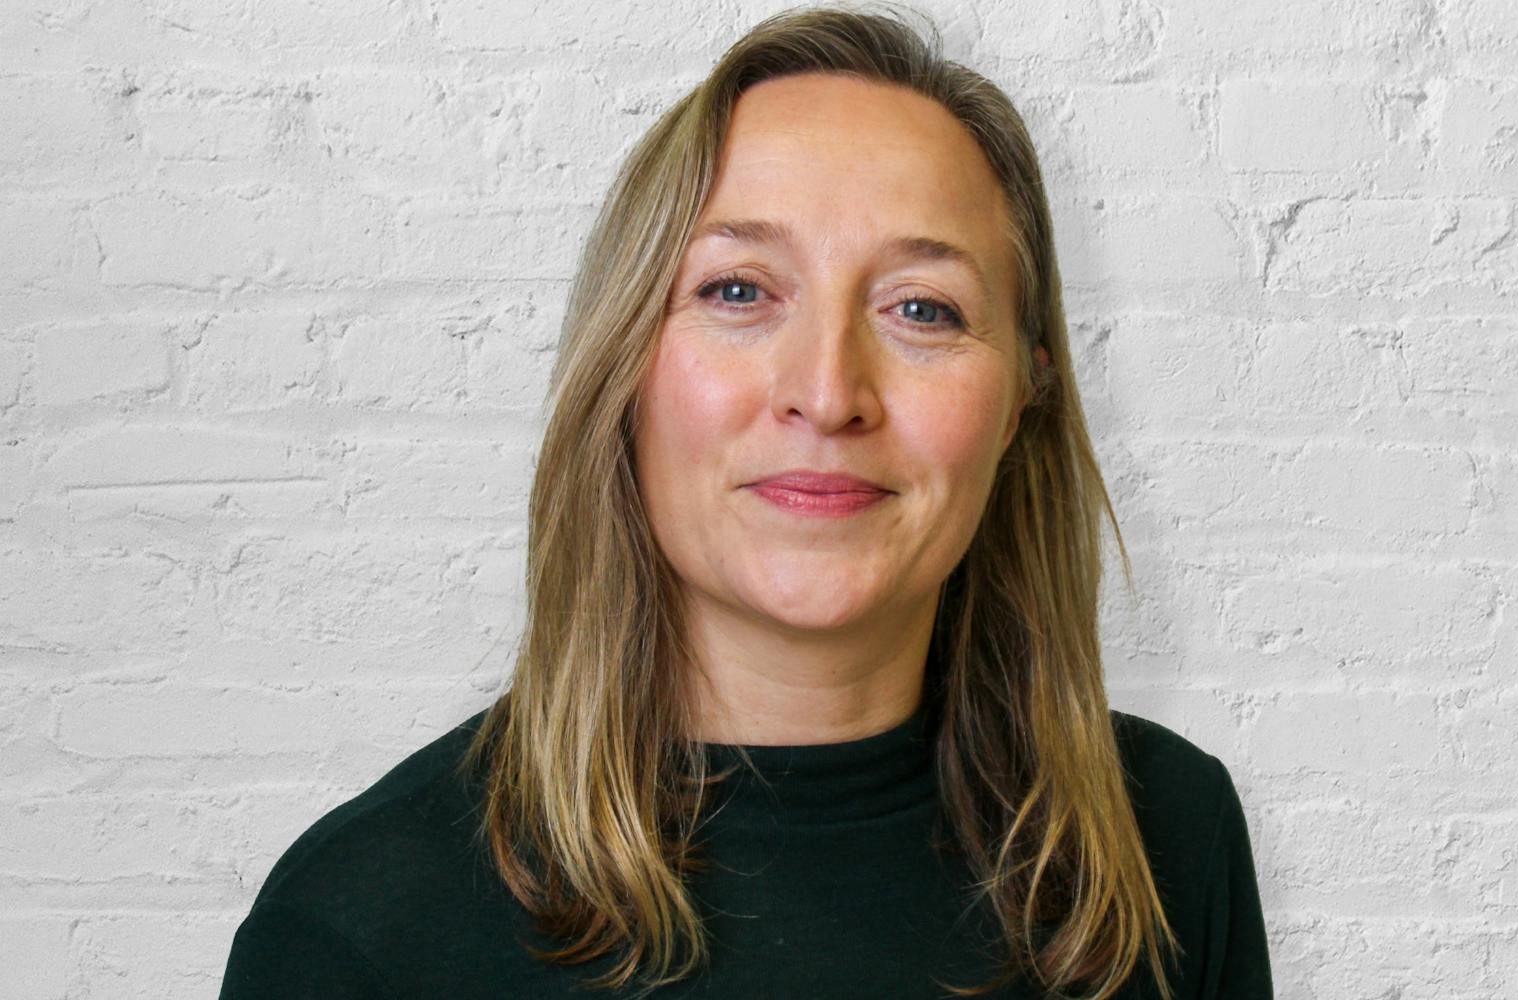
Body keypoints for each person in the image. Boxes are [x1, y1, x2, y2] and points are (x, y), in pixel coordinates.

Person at [218, 5, 1273, 998]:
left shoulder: (1168, 843)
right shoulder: (363, 925)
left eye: (922, 309)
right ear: (625, 367)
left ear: (1019, 404)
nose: (828, 390)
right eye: (738, 291)